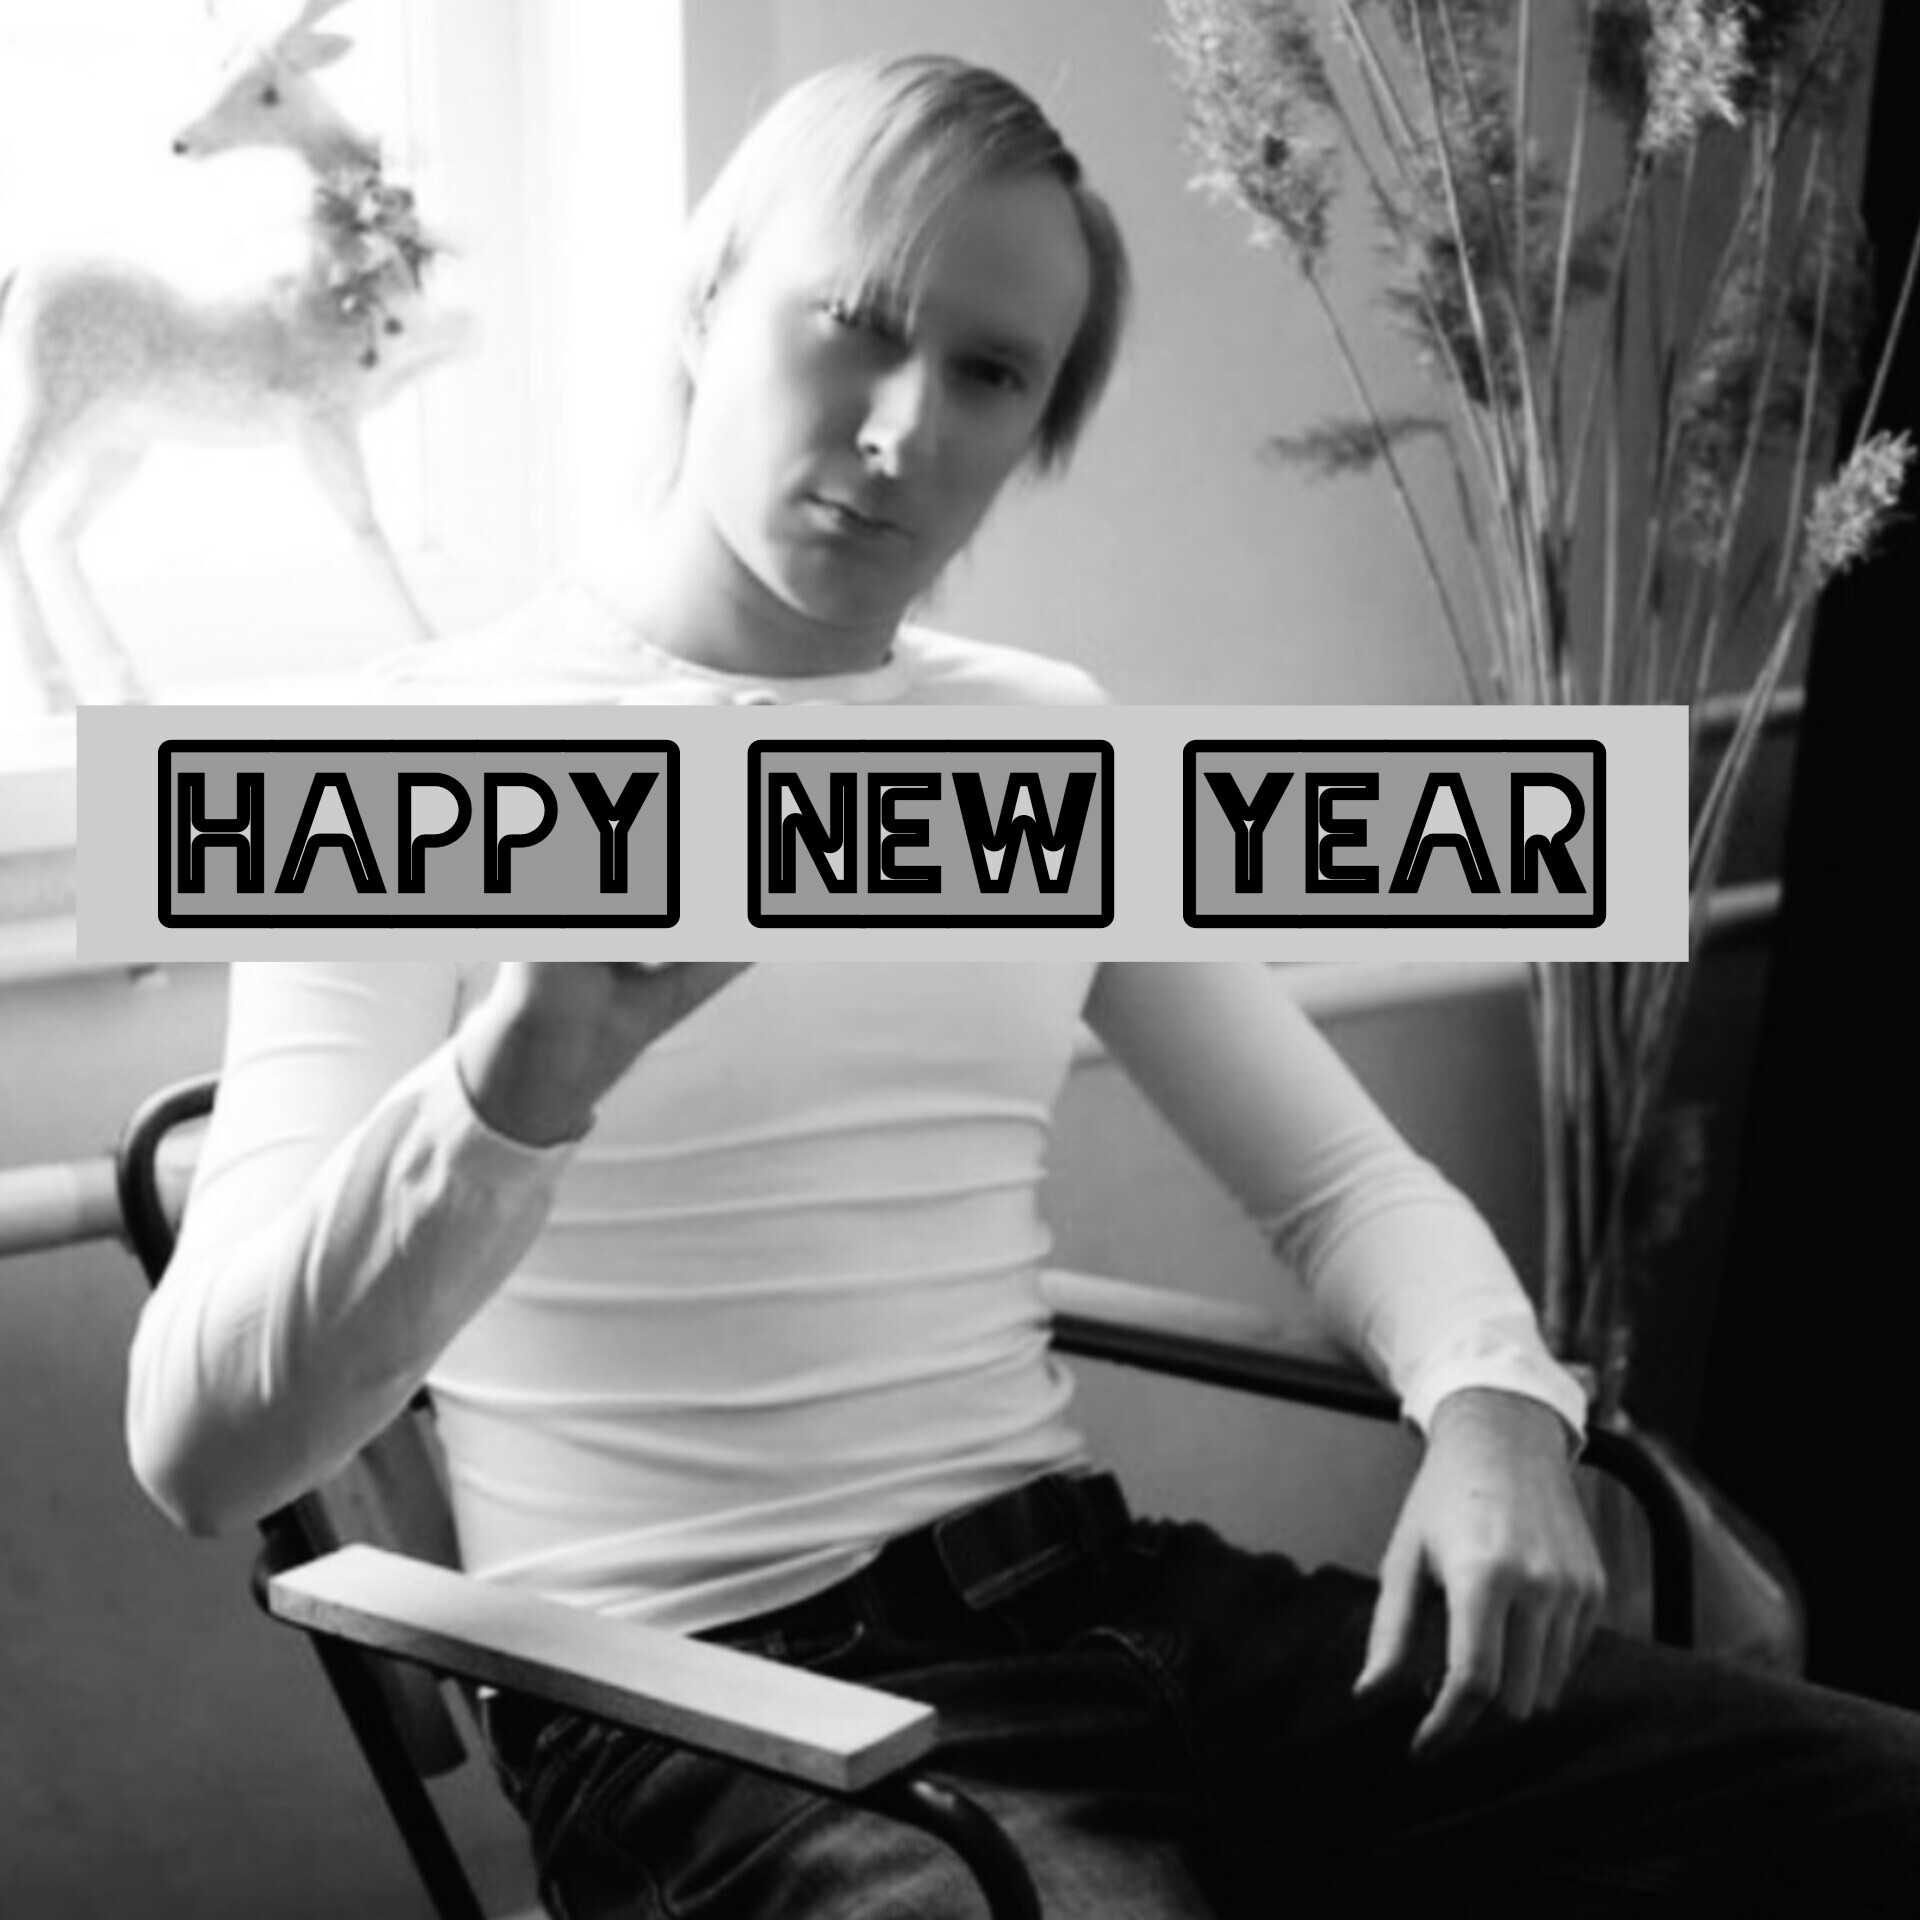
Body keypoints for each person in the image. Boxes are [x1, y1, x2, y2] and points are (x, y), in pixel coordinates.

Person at [126, 53, 1920, 1919]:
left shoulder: (1044, 747)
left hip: (1119, 1615)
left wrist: (1495, 1408)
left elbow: (1343, 1185)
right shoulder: (394, 766)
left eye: (991, 373)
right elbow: (197, 1455)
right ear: (706, 302)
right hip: (720, 1719)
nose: (907, 428)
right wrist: (513, 1087)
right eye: (855, 325)